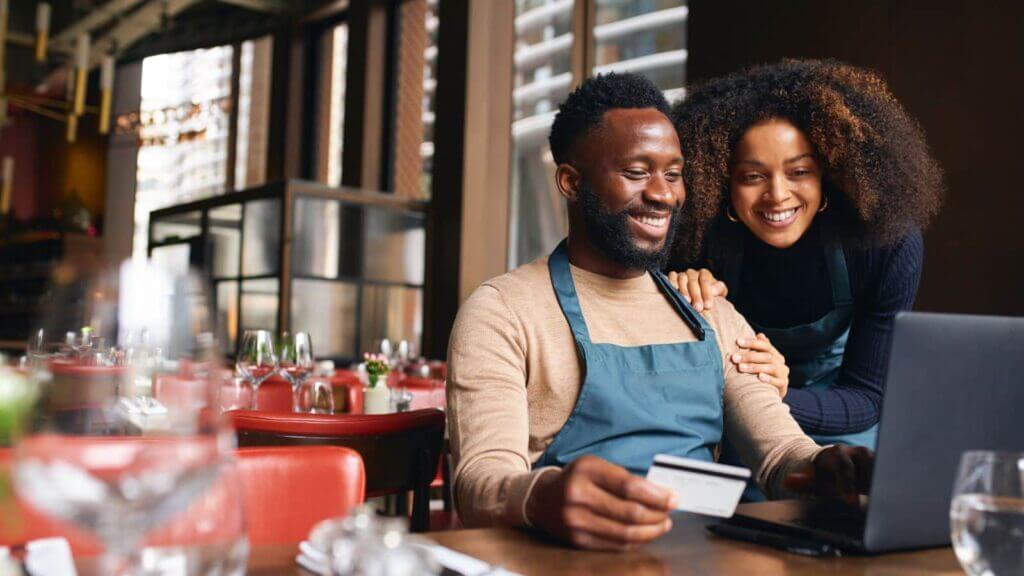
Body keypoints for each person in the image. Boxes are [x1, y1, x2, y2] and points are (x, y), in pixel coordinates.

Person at [447, 72, 871, 552]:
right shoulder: (504, 311)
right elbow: (480, 482)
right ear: (570, 182)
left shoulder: (708, 311)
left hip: (700, 559)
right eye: (636, 172)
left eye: (672, 174)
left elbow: (780, 456)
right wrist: (542, 495)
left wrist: (827, 467)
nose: (663, 194)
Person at [667, 59, 944, 450]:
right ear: (721, 183)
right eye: (752, 176)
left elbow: (867, 397)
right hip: (737, 416)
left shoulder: (884, 243)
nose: (777, 195)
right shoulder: (696, 241)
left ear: (827, 173)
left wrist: (778, 393)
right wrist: (677, 296)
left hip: (841, 420)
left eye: (799, 172)